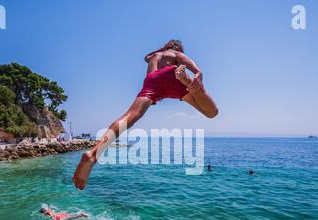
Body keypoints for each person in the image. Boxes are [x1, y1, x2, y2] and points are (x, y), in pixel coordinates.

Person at [73, 40, 219, 190]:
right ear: (177, 48)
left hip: (152, 80)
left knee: (131, 115)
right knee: (211, 112)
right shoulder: (176, 53)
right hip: (173, 75)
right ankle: (188, 81)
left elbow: (146, 57)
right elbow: (196, 69)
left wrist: (162, 49)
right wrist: (198, 76)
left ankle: (94, 153)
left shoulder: (154, 56)